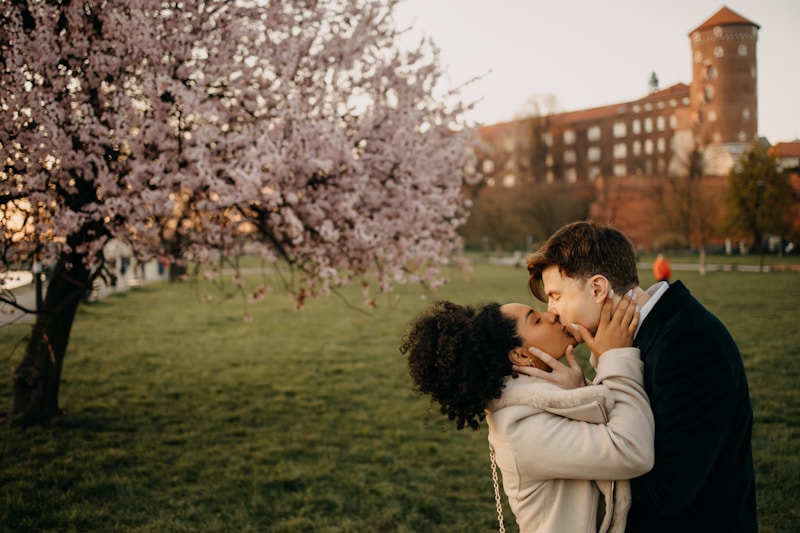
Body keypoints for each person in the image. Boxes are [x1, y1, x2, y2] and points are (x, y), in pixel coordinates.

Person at [524, 221, 757, 532]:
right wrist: (583, 393)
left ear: (597, 289)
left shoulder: (689, 345)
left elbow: (669, 492)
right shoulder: (637, 338)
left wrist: (577, 457)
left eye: (555, 295)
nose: (551, 311)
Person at [400, 296, 654, 532]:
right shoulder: (522, 433)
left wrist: (581, 392)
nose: (552, 314)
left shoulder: (549, 400)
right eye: (536, 319)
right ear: (521, 356)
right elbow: (630, 449)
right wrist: (615, 357)